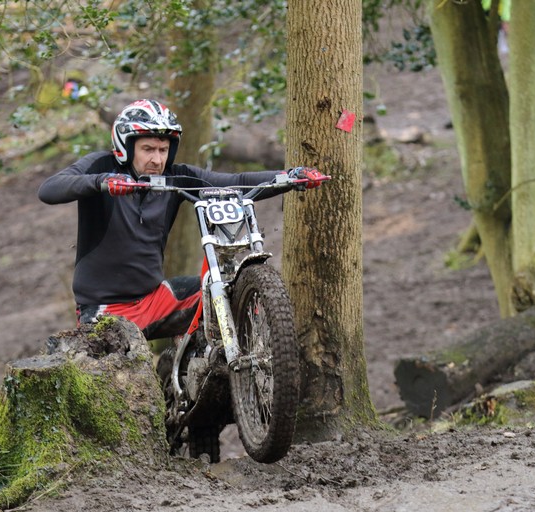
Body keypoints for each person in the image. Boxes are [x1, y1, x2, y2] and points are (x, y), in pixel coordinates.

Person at [38, 99, 325, 339]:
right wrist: (102, 182)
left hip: (156, 300)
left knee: (224, 292)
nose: (157, 160)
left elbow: (233, 182)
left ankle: (215, 367)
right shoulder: (101, 166)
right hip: (103, 310)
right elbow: (49, 189)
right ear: (125, 147)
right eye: (148, 149)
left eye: (163, 150)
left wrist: (288, 177)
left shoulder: (175, 177)